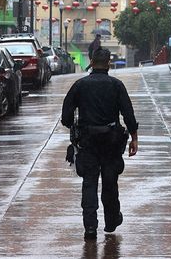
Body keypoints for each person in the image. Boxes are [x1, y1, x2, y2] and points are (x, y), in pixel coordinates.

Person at [61, 48, 139, 240]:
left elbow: (65, 116)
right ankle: (111, 221)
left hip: (87, 142)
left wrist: (74, 126)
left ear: (91, 62)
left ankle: (90, 227)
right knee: (110, 183)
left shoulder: (80, 85)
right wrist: (134, 138)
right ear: (109, 64)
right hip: (111, 142)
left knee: (89, 183)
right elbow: (128, 114)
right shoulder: (116, 85)